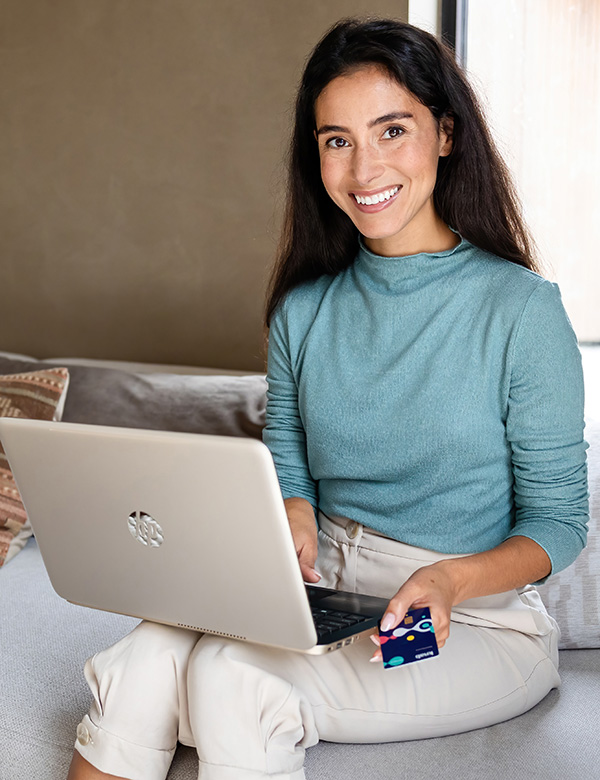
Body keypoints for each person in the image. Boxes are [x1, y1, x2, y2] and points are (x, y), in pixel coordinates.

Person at [67, 17, 588, 780]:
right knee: (143, 657)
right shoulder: (303, 311)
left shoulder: (521, 310)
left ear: (445, 134)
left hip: (469, 618)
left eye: (391, 130)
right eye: (336, 139)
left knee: (231, 678)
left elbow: (559, 522)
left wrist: (448, 579)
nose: (363, 166)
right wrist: (296, 508)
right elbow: (289, 460)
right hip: (327, 592)